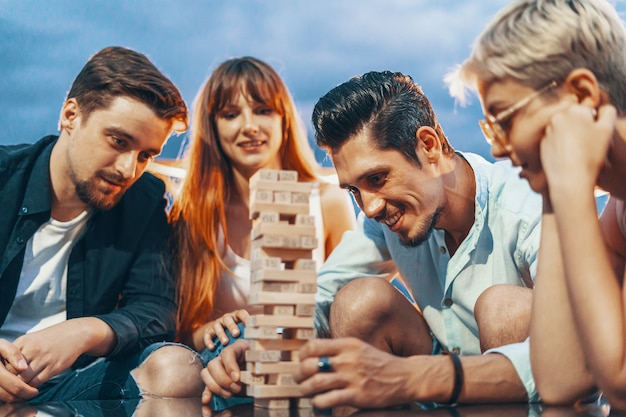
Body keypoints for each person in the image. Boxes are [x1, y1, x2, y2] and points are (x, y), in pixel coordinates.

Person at [201, 70, 544, 408]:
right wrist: (265, 347)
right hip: (430, 381)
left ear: (429, 146)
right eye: (353, 190)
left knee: (503, 308)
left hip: (524, 392)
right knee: (358, 301)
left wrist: (413, 376)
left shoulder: (529, 206)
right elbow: (324, 292)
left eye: (378, 178)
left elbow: (577, 350)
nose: (370, 208)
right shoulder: (390, 216)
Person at [0, 46, 205, 403]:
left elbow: (156, 310)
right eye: (118, 141)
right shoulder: (5, 178)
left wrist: (84, 331)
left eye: (145, 155)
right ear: (70, 115)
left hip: (76, 383)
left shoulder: (144, 200)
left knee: (178, 367)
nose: (128, 169)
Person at [449, 0, 626, 410]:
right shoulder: (618, 210)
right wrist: (553, 196)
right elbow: (561, 379)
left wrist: (570, 188)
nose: (496, 148)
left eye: (505, 121)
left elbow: (619, 381)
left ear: (581, 95)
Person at [169, 57, 355, 356]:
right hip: (224, 366)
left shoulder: (327, 202)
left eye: (263, 110)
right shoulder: (194, 212)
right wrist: (207, 331)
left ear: (284, 118)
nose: (249, 126)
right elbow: (179, 333)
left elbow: (352, 310)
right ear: (212, 128)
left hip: (310, 361)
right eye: (230, 114)